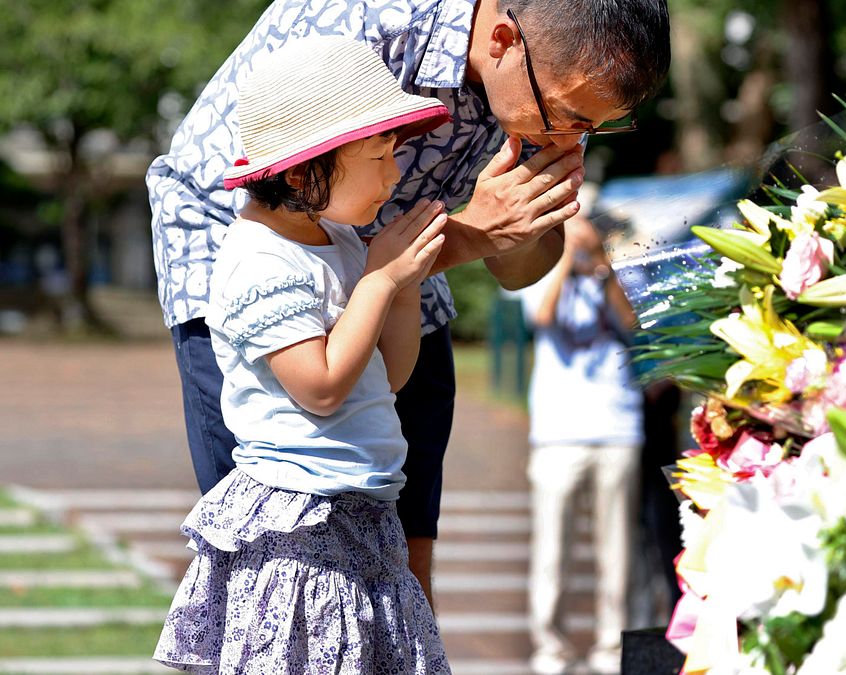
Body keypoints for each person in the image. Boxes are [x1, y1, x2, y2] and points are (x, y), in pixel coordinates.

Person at [148, 0, 672, 602]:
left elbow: (513, 268)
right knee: (275, 563)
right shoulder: (365, 24)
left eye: (596, 126)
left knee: (402, 561)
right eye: (570, 115)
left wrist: (520, 222)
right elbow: (295, 203)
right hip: (253, 240)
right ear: (502, 40)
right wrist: (470, 234)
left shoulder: (538, 83)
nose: (572, 138)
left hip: (399, 256)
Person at [154, 37, 452, 672]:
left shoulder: (339, 240)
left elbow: (386, 377)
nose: (393, 175)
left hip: (362, 510)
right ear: (300, 169)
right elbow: (319, 386)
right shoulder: (260, 258)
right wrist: (376, 281)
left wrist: (399, 287)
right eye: (377, 156)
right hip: (301, 530)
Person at [520, 209, 644, 675]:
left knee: (618, 551)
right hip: (557, 434)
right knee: (552, 549)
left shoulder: (612, 271)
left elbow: (631, 323)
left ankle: (612, 646)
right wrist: (566, 258)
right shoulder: (535, 271)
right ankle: (550, 646)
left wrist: (601, 266)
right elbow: (543, 315)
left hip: (617, 429)